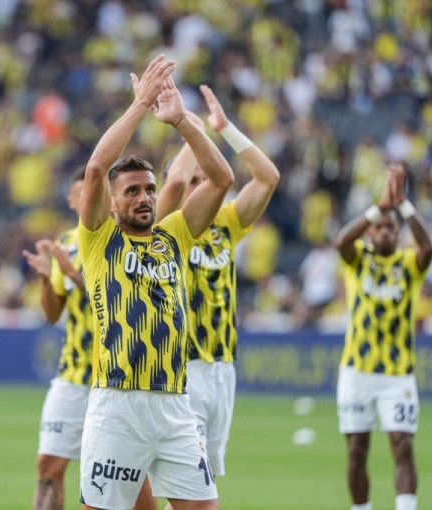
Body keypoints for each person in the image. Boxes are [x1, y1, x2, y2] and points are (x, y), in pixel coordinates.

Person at [77, 55, 234, 510]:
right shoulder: (100, 241)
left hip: (175, 406)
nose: (145, 197)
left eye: (149, 189)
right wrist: (140, 105)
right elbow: (95, 169)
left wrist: (182, 121)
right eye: (132, 191)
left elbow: (222, 179)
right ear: (111, 204)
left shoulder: (174, 236)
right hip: (118, 405)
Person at [152, 84, 279, 491]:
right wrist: (190, 124)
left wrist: (225, 129)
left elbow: (268, 177)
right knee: (193, 486)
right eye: (195, 181)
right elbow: (175, 179)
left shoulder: (226, 222)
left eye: (205, 179)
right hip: (184, 367)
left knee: (193, 487)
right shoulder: (165, 228)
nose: (201, 186)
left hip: (223, 367)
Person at [332, 164, 432, 510]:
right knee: (356, 449)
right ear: (370, 232)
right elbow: (341, 241)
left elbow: (429, 248)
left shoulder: (409, 265)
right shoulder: (357, 260)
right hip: (356, 371)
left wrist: (403, 205)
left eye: (391, 227)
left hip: (397, 374)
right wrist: (378, 207)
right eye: (379, 227)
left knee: (402, 445)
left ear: (398, 232)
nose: (385, 232)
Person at [22, 168, 95, 510]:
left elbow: (119, 303)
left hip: (115, 379)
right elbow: (53, 315)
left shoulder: (117, 240)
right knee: (48, 468)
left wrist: (74, 276)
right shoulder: (66, 244)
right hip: (73, 373)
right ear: (71, 201)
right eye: (81, 194)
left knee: (118, 481)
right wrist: (45, 280)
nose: (88, 199)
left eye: (93, 193)